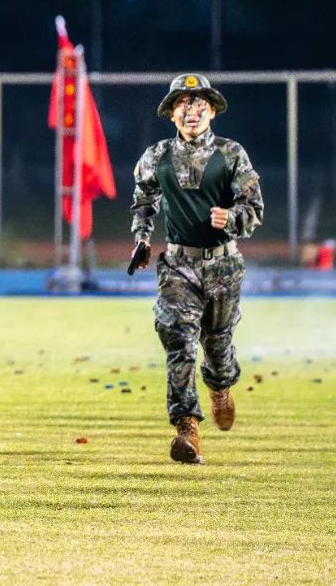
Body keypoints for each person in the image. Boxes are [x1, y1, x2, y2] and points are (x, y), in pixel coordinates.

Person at [130, 73, 264, 465]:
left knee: (218, 346)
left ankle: (221, 388)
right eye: (183, 104)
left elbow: (254, 208)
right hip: (178, 266)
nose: (192, 110)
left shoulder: (231, 153)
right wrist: (142, 238)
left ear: (212, 111)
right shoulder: (157, 156)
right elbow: (144, 200)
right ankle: (187, 427)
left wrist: (232, 218)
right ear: (171, 113)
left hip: (223, 265)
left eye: (199, 103)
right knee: (179, 341)